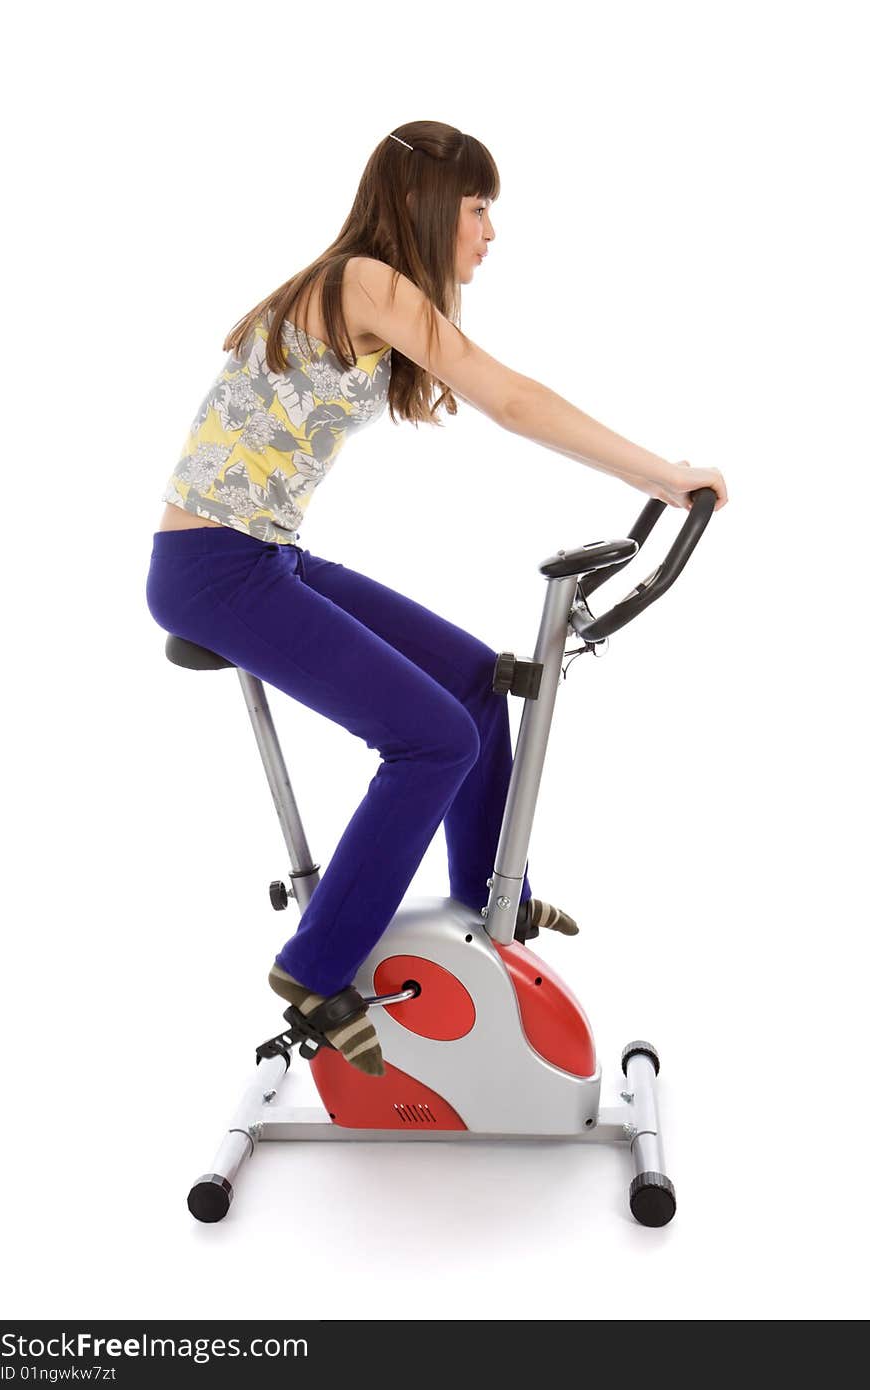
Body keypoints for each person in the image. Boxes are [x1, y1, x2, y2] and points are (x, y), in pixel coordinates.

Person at [145, 120, 728, 1079]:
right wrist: (662, 474)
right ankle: (314, 970)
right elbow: (512, 399)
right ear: (426, 208)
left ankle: (486, 900)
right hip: (215, 571)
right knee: (433, 740)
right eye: (477, 208)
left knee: (471, 680)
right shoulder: (367, 281)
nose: (489, 233)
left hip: (265, 556)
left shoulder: (358, 285)